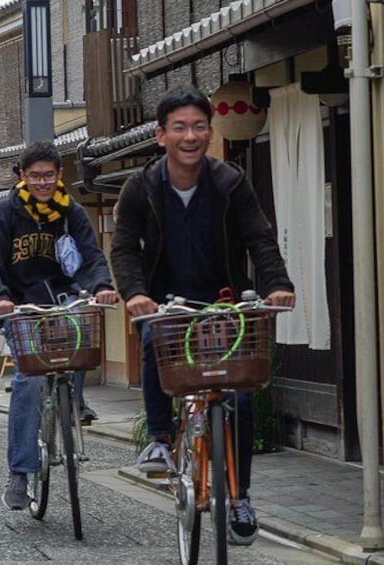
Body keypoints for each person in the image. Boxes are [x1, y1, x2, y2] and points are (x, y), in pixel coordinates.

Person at [110, 85, 295, 546]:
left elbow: (260, 237)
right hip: (167, 304)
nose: (189, 136)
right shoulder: (141, 187)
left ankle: (241, 498)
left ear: (210, 133)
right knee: (154, 342)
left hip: (222, 302)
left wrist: (277, 285)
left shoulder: (230, 182)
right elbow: (124, 247)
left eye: (197, 127)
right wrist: (134, 294)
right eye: (179, 128)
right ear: (160, 135)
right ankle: (158, 437)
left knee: (241, 396)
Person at [0, 140, 119, 511]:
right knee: (29, 379)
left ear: (59, 176)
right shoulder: (8, 213)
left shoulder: (70, 211)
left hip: (63, 299)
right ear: (22, 176)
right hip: (22, 305)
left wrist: (102, 287)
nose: (42, 182)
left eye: (49, 176)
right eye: (35, 176)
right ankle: (20, 473)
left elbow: (91, 256)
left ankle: (74, 396)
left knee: (80, 328)